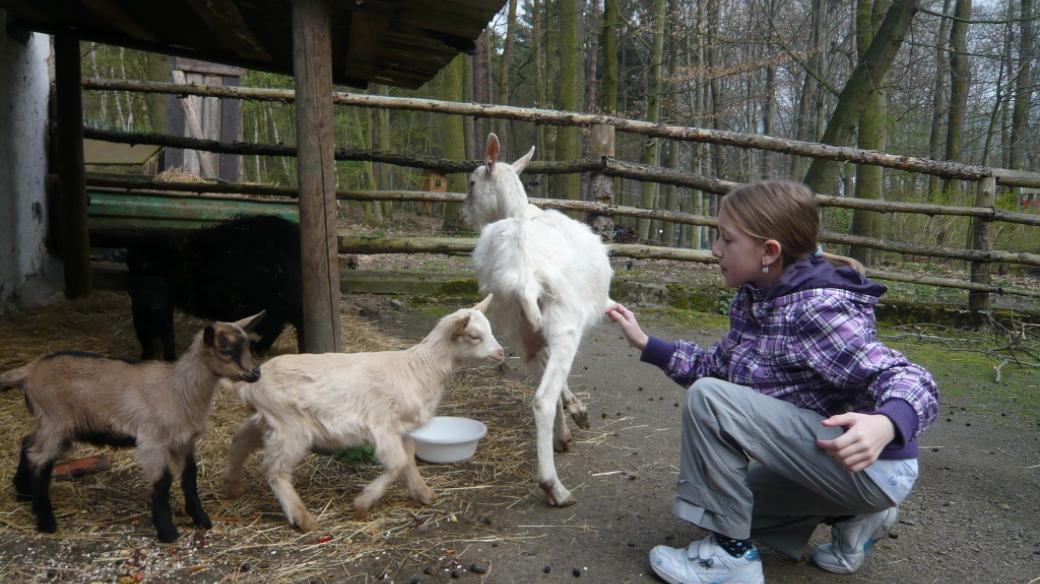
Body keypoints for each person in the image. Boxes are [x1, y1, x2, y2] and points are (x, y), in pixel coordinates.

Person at [606, 180, 939, 584]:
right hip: (843, 470)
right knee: (730, 504)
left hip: (871, 466)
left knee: (708, 402)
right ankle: (856, 516)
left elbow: (909, 377)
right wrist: (646, 343)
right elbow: (717, 369)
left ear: (769, 252)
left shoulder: (816, 308)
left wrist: (885, 423)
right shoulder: (759, 297)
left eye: (726, 240)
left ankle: (732, 560)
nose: (715, 249)